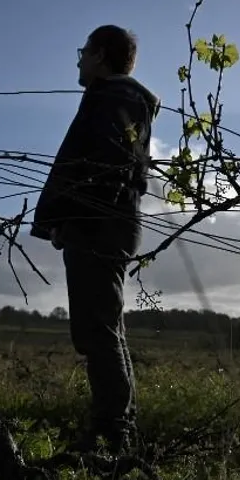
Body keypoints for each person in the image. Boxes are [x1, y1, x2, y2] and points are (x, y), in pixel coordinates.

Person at [30, 24, 160, 454]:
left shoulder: (114, 98)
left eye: (84, 51)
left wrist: (73, 214)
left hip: (100, 225)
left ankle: (114, 432)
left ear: (101, 55)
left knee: (98, 331)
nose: (79, 59)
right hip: (102, 223)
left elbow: (106, 166)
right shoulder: (118, 99)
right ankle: (113, 427)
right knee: (103, 328)